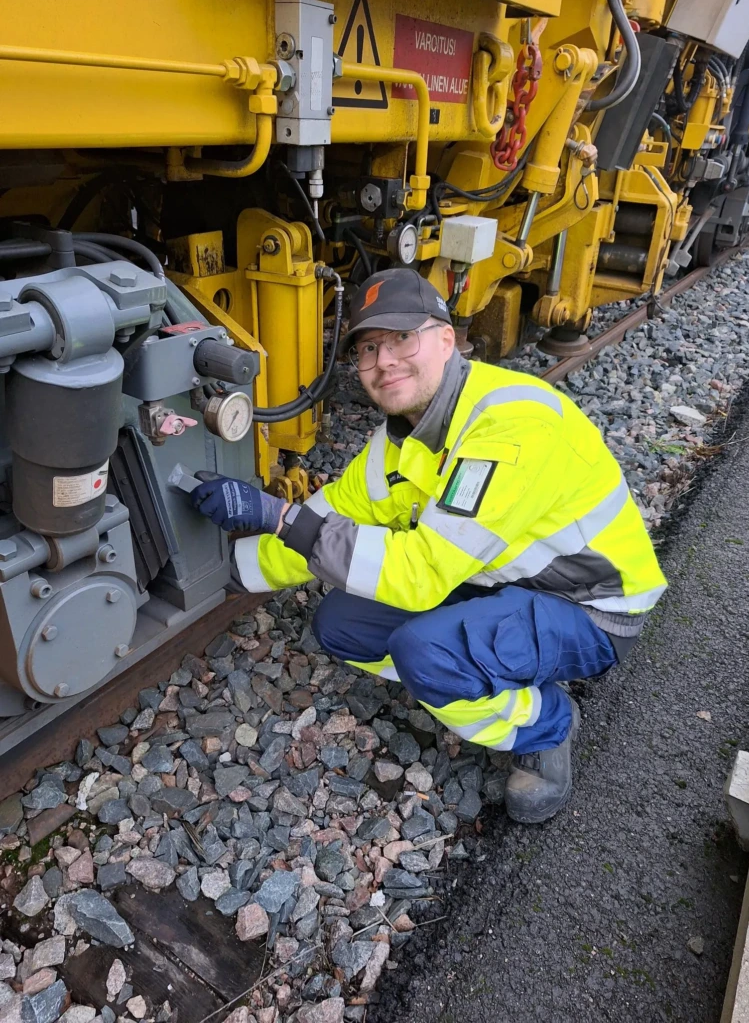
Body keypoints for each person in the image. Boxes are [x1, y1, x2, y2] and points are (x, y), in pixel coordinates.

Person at [192, 268, 667, 823]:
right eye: (368, 349)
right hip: (499, 581)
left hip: (589, 606)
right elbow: (327, 516)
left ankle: (546, 722)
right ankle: (485, 666)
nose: (384, 361)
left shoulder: (507, 428)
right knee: (340, 623)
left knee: (425, 651)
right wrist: (230, 573)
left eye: (401, 339)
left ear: (447, 339)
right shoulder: (400, 437)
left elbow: (416, 574)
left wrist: (276, 515)